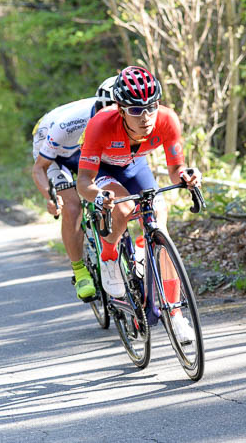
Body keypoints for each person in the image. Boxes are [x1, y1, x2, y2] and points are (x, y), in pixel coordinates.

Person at [76, 65, 201, 343]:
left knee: (159, 216)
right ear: (120, 109)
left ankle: (176, 315)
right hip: (104, 172)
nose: (145, 117)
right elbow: (83, 181)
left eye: (151, 107)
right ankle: (109, 257)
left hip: (135, 167)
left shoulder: (167, 120)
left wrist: (186, 176)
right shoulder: (100, 124)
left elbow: (175, 168)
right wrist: (98, 196)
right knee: (123, 208)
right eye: (135, 110)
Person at [31, 76, 116, 300]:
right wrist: (49, 198)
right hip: (56, 155)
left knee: (112, 193)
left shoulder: (122, 119)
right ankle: (80, 272)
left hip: (88, 152)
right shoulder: (69, 123)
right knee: (72, 207)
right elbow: (39, 168)